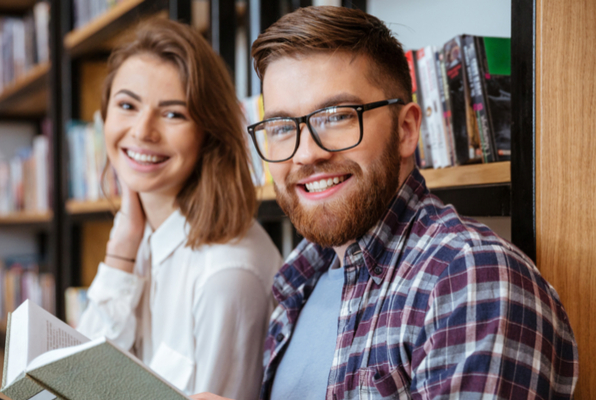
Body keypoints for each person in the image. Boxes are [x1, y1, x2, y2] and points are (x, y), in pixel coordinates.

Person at [193, 6, 577, 400]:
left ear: (406, 130)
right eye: (281, 127)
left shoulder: (471, 279)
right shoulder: (300, 281)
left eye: (336, 116)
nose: (305, 154)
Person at [0, 18, 282, 400]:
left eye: (173, 113)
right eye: (127, 105)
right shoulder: (143, 231)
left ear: (208, 130)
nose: (143, 131)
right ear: (104, 117)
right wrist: (120, 255)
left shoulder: (228, 275)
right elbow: (81, 375)